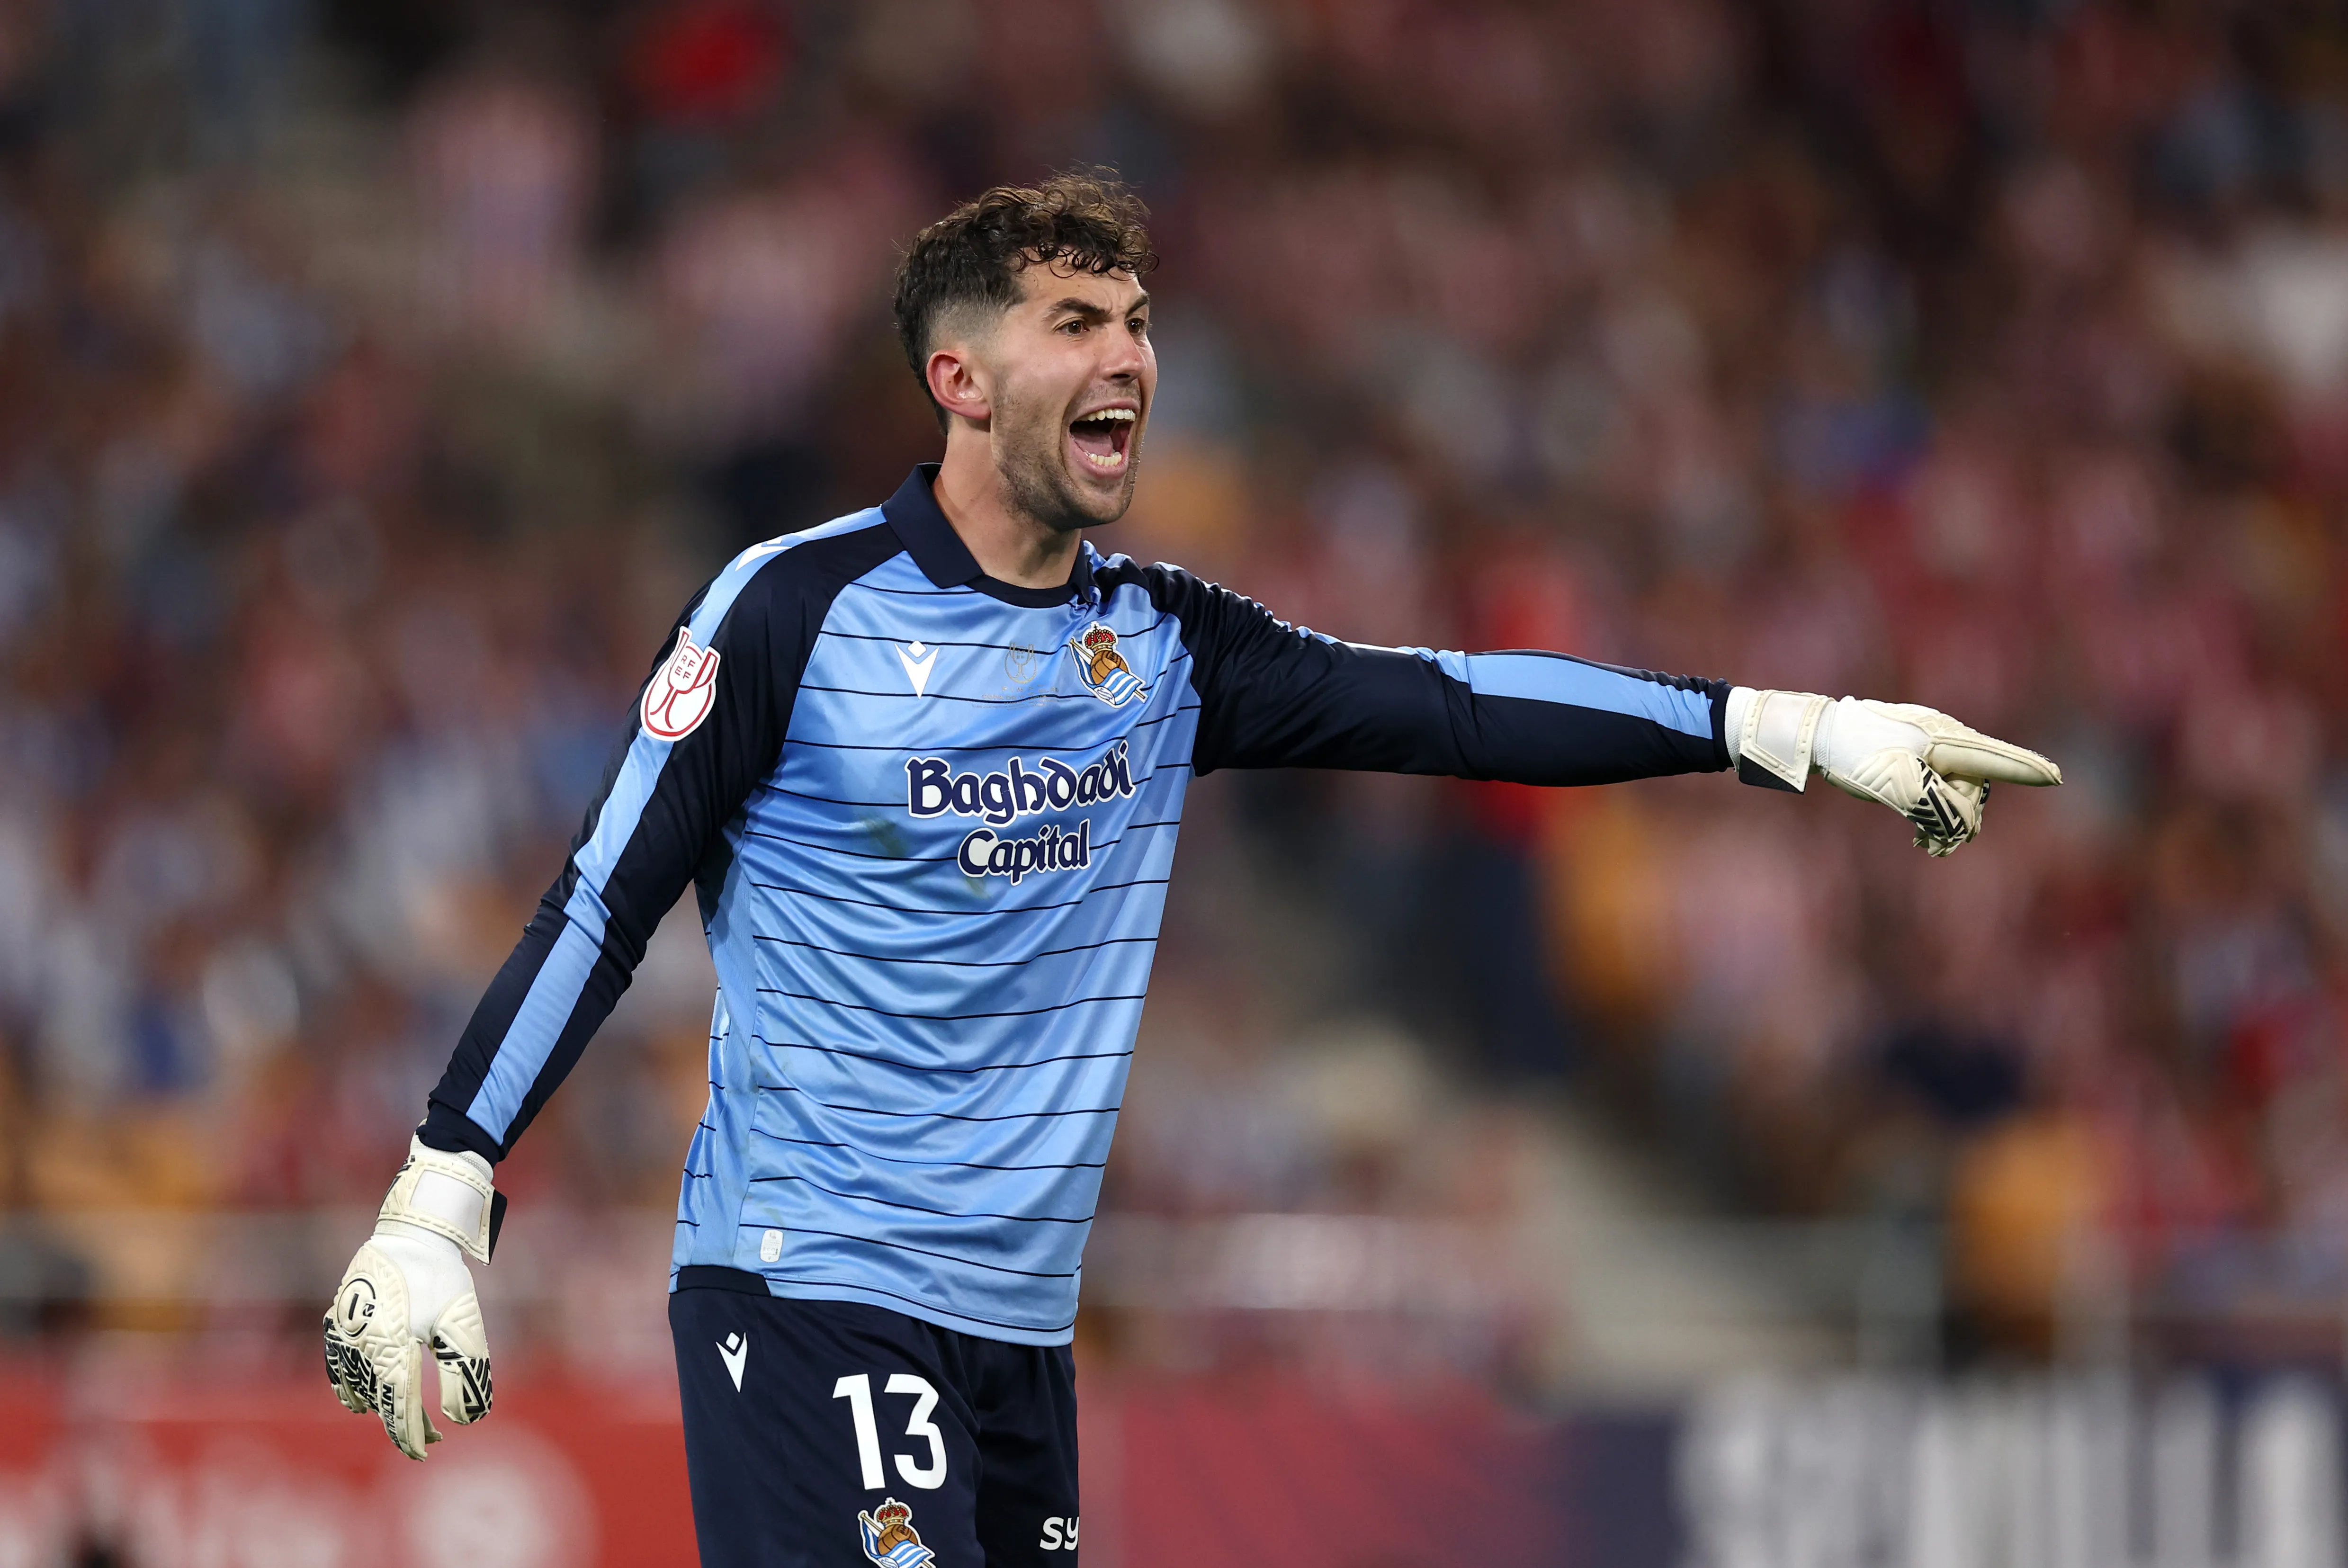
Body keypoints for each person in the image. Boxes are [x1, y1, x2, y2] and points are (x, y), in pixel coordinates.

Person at [322, 171, 2059, 1564]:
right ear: (962, 378)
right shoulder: (792, 606)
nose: (1132, 358)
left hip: (1020, 1336)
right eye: (1077, 322)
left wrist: (1781, 726)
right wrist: (441, 1190)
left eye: (1140, 323)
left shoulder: (1162, 643)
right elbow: (603, 898)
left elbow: (1446, 706)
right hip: (813, 1292)